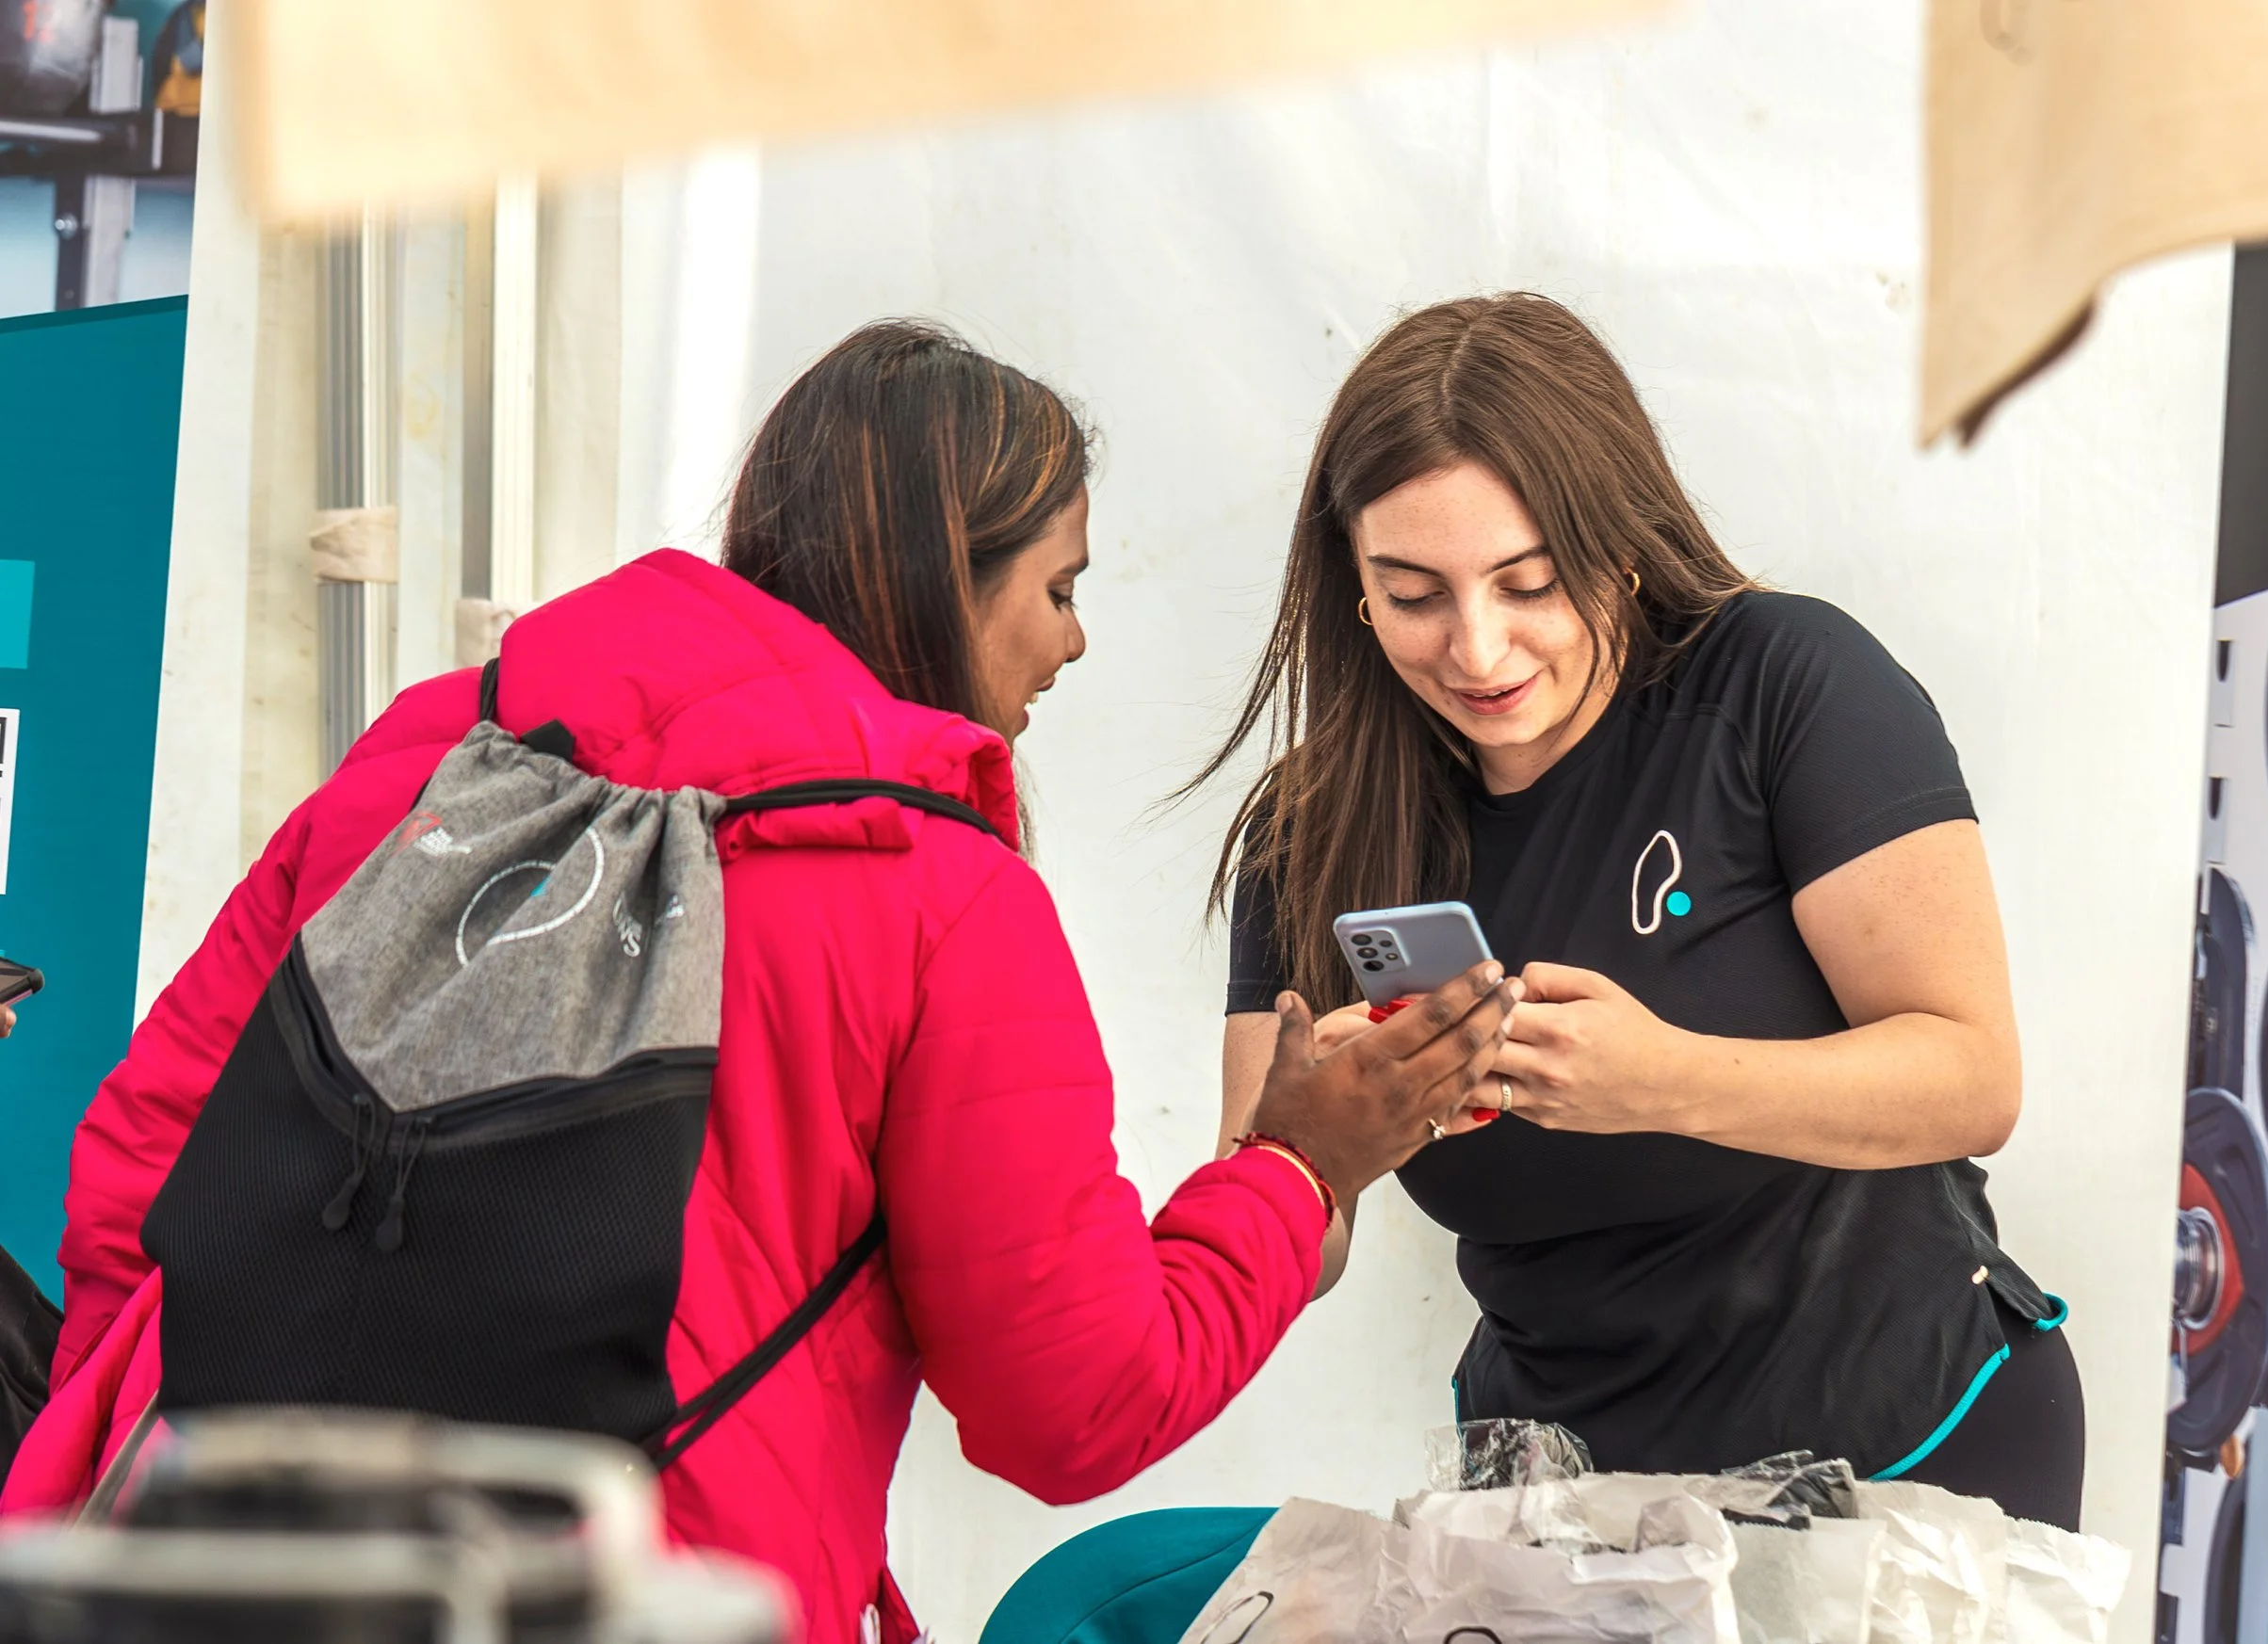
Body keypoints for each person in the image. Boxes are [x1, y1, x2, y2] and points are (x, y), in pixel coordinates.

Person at [1, 320, 1520, 1643]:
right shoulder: (938, 895)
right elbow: (1074, 1396)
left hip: (216, 1585)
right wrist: (1299, 1168)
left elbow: (144, 1168)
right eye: (1056, 587)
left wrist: (140, 1492)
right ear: (948, 579)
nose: (1072, 640)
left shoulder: (424, 756)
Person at [1204, 293, 2084, 1528]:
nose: (1479, 648)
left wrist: (1661, 1078)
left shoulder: (1788, 685)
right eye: (1413, 594)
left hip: (1907, 1444)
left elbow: (1972, 1076)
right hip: (1566, 1499)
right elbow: (1287, 1241)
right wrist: (1318, 1151)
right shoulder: (1314, 832)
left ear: (1620, 545)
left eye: (1529, 583)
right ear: (1353, 587)